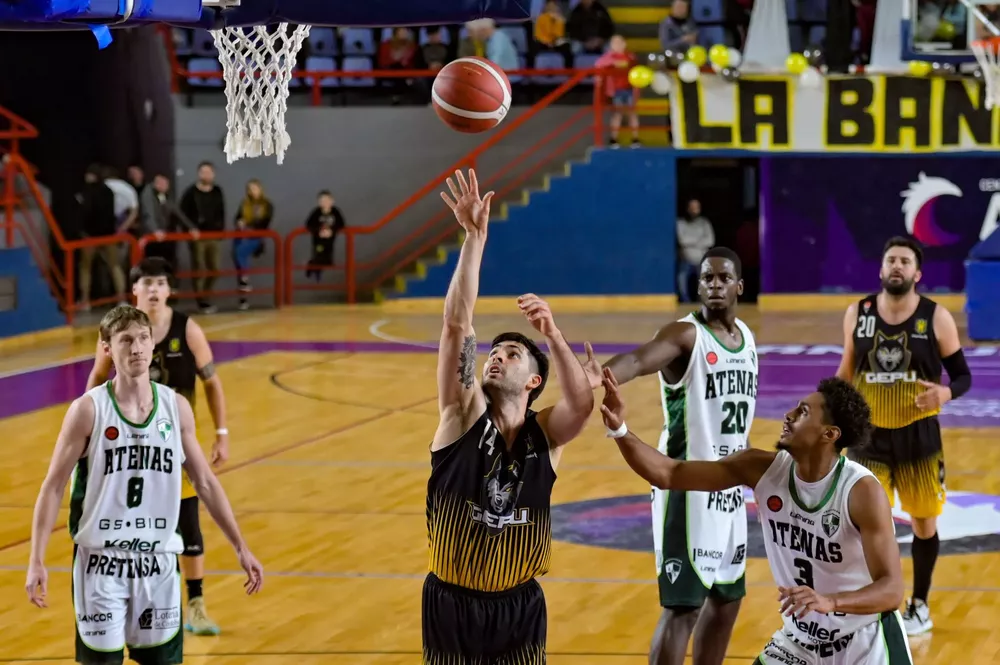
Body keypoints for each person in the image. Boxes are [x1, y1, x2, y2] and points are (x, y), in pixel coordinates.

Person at [601, 371, 913, 665]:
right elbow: (669, 473)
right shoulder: (759, 468)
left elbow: (892, 590)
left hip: (864, 644)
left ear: (829, 434)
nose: (788, 415)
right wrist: (620, 430)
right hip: (799, 642)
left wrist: (830, 601)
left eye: (803, 412)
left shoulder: (859, 491)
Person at [422, 168, 600, 664]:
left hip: (520, 606)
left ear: (534, 383)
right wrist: (474, 237)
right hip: (451, 604)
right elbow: (457, 324)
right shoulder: (460, 417)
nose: (496, 357)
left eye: (512, 355)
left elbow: (582, 405)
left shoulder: (546, 438)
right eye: (494, 352)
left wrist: (551, 333)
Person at [25, 305, 263, 665]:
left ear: (153, 344)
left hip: (158, 565)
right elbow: (53, 486)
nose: (136, 348)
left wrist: (241, 546)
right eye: (125, 341)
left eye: (142, 339)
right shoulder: (87, 411)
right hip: (101, 567)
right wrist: (36, 559)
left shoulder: (175, 408)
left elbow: (206, 483)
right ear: (107, 349)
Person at [601, 247, 755, 665]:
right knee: (683, 607)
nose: (715, 285)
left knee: (727, 599)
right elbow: (638, 358)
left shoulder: (747, 339)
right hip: (687, 487)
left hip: (730, 489)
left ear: (739, 286)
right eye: (707, 278)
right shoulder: (685, 335)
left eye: (724, 278)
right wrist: (602, 374)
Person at [86, 257, 231, 637]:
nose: (153, 289)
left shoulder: (188, 329)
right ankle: (124, 601)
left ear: (169, 290)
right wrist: (88, 432)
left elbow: (212, 384)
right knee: (127, 525)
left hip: (171, 446)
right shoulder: (117, 330)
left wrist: (222, 432)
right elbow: (97, 380)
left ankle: (195, 604)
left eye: (160, 283)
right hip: (127, 449)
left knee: (187, 523)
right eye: (146, 282)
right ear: (134, 289)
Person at [834, 236, 971, 636]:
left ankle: (920, 605)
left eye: (905, 261)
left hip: (919, 438)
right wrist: (827, 414)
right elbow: (845, 372)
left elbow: (962, 375)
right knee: (860, 526)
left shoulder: (937, 317)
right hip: (868, 440)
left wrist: (944, 393)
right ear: (881, 269)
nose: (897, 266)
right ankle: (867, 601)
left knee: (924, 523)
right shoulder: (857, 314)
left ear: (917, 273)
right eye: (891, 259)